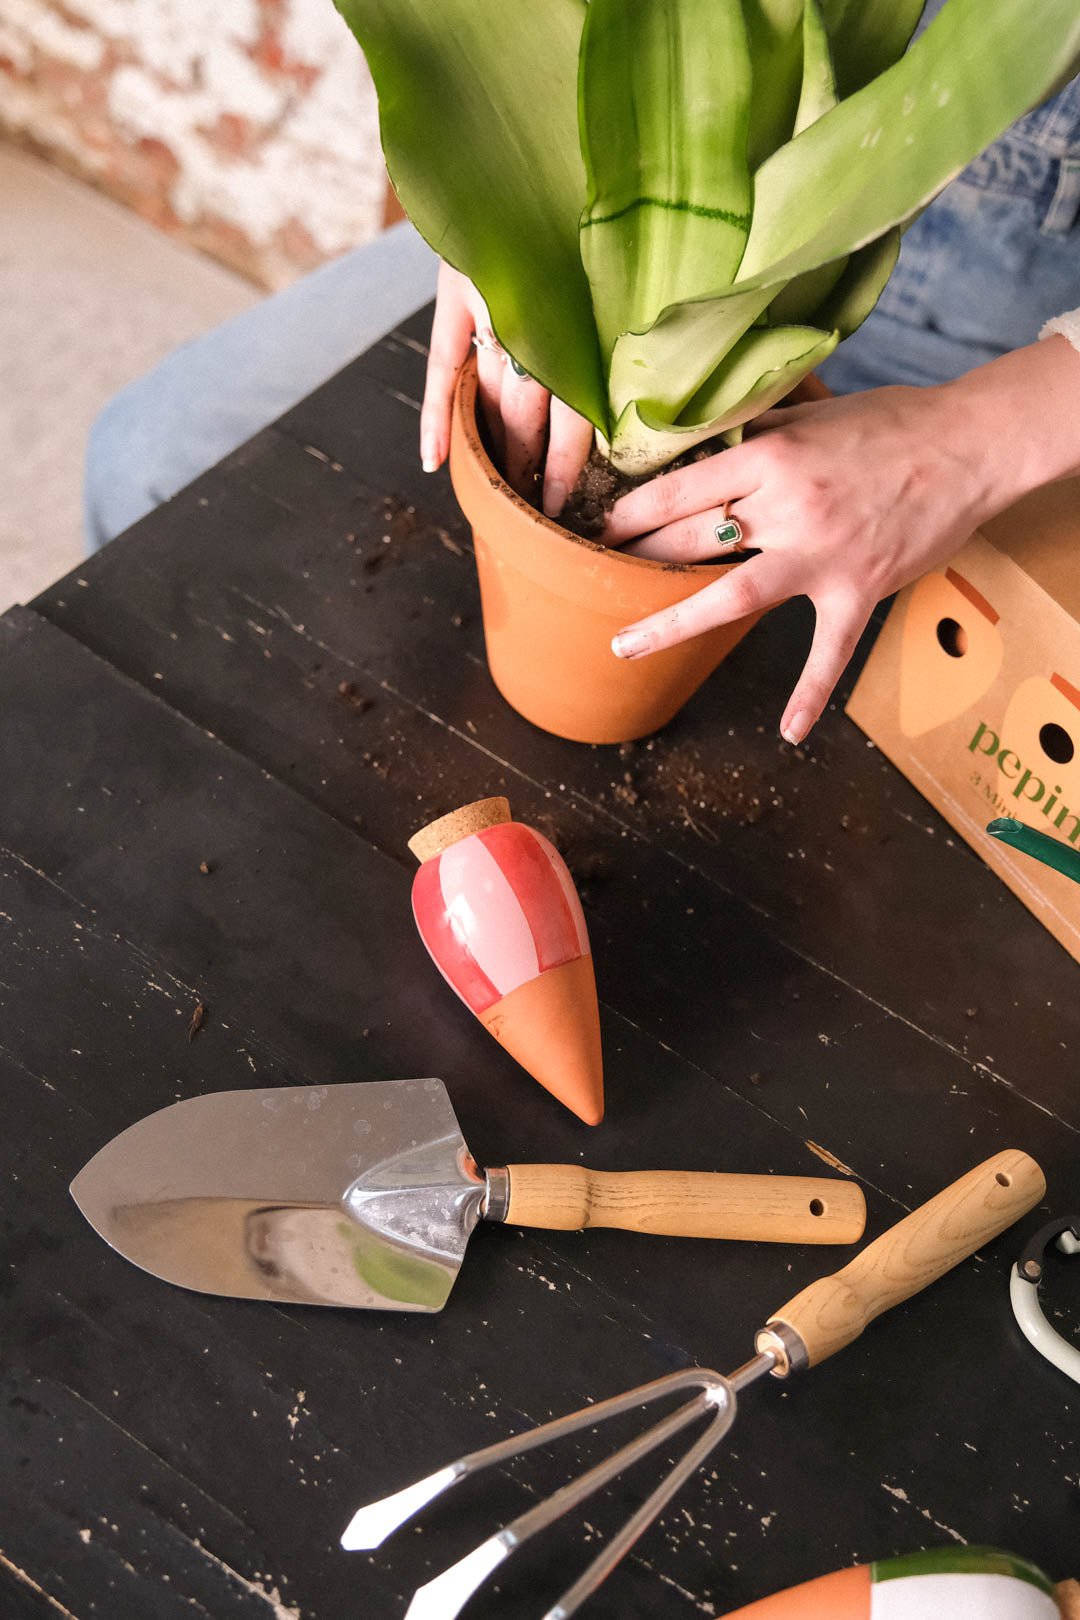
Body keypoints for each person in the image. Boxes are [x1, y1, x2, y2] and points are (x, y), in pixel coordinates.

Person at [86, 18, 1080, 747]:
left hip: (1001, 355)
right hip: (618, 198)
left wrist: (970, 446)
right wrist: (505, 157)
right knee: (152, 452)